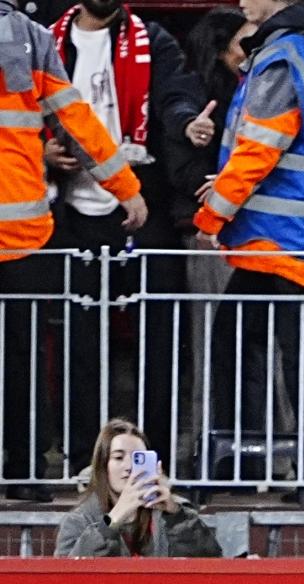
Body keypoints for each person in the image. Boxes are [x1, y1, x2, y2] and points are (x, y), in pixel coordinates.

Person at [193, 0, 304, 443]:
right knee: (294, 357)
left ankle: (294, 465)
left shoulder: (282, 57)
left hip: (280, 239)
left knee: (274, 356)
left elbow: (258, 150)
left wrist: (212, 216)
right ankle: (274, 463)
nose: (241, 2)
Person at [46, 0, 205, 470]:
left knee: (159, 339)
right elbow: (23, 109)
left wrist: (187, 122)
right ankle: (83, 459)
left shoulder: (152, 40)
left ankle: (155, 461)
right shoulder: (45, 42)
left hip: (143, 204)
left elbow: (176, 94)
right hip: (72, 211)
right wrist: (42, 151)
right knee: (79, 342)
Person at [0, 0, 146, 502]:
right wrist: (126, 188)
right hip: (22, 234)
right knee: (24, 359)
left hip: (22, 233)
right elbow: (77, 120)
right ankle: (25, 469)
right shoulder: (31, 37)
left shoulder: (32, 36)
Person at [166, 8, 258, 438]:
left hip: (258, 234)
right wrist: (224, 188)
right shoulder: (194, 92)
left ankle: (272, 449)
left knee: (263, 349)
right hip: (208, 236)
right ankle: (210, 447)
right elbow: (182, 168)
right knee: (209, 345)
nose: (253, 51)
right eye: (244, 43)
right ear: (220, 49)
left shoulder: (262, 87)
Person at [54, 419, 222, 557]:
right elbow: (67, 573)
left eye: (137, 458)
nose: (129, 467)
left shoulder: (175, 511)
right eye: (119, 457)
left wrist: (176, 515)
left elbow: (211, 560)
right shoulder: (79, 520)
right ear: (103, 466)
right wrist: (113, 519)